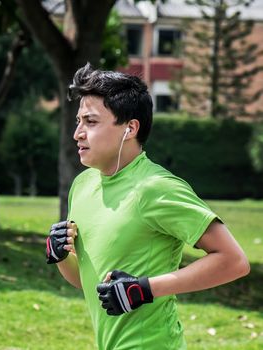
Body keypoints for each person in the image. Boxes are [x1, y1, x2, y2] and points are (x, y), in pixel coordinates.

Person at [46, 63, 250, 350]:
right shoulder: (83, 186)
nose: (77, 133)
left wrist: (145, 289)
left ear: (130, 128)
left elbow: (234, 261)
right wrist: (60, 256)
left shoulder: (156, 188)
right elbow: (92, 286)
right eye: (79, 121)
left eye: (91, 122)